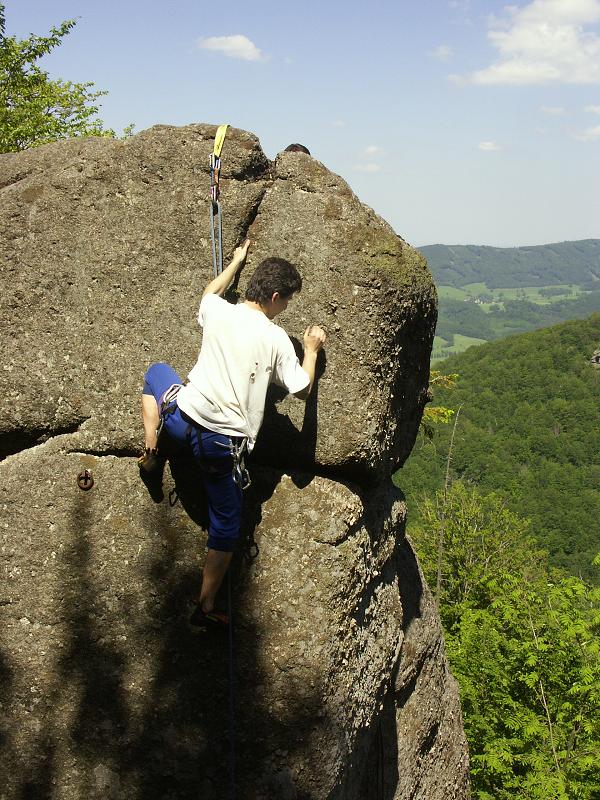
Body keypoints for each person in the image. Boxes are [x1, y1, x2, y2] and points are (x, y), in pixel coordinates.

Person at [139, 239, 326, 630]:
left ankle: (152, 448)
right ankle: (204, 607)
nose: (286, 308)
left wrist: (235, 262)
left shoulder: (218, 311)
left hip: (181, 419)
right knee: (227, 526)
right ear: (275, 297)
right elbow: (303, 388)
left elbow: (210, 291)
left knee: (155, 373)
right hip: (219, 445)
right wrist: (310, 349)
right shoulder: (275, 339)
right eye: (287, 301)